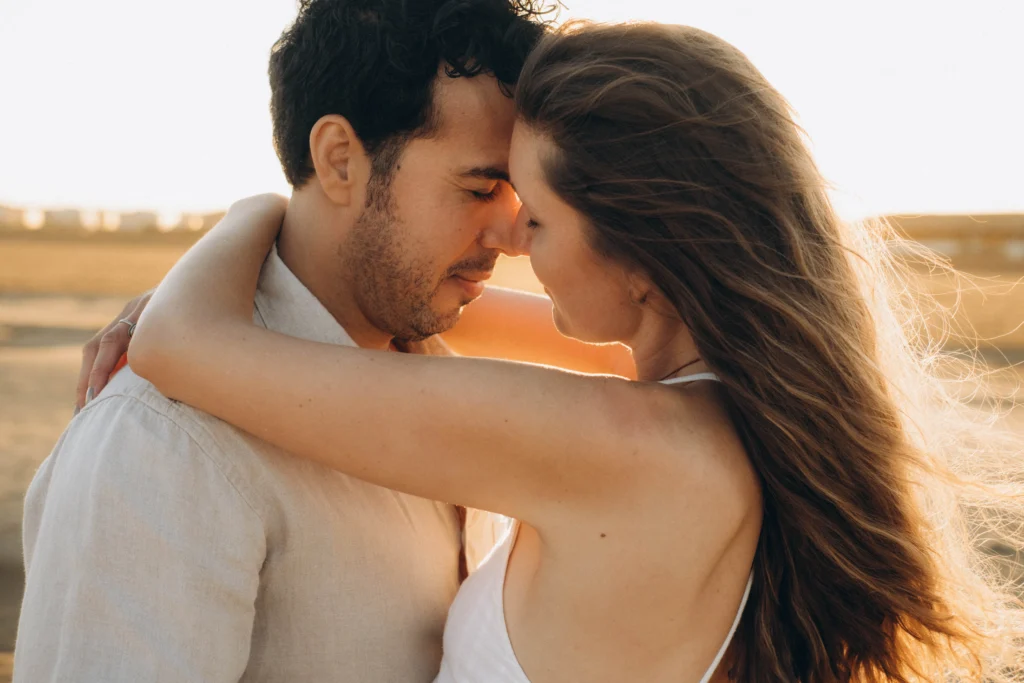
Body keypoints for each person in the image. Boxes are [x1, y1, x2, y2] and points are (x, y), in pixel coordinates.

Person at [106, 20, 1024, 683]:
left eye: (536, 217)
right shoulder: (710, 408)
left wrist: (262, 212)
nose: (511, 242)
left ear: (638, 252)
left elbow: (181, 345)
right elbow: (417, 307)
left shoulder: (623, 443)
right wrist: (316, 228)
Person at [13, 2, 600, 681]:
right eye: (478, 188)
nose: (511, 236)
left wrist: (251, 217)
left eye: (522, 197)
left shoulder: (444, 376)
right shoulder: (165, 440)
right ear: (340, 160)